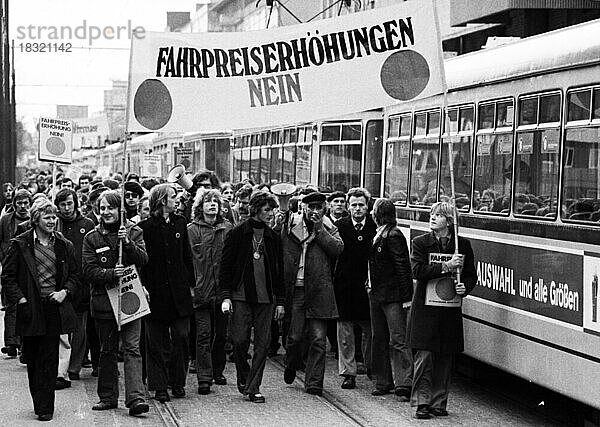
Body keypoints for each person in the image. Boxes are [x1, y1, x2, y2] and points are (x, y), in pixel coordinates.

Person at [1, 198, 80, 421]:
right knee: (33, 358)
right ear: (36, 219)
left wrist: (65, 291)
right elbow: (7, 277)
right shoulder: (21, 244)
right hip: (30, 308)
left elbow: (75, 276)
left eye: (54, 217)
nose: (52, 221)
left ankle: (46, 407)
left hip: (53, 307)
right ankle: (39, 399)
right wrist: (21, 299)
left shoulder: (64, 245)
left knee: (49, 357)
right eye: (47, 217)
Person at [82, 190, 150, 416]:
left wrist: (127, 244)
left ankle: (136, 398)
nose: (106, 212)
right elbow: (89, 271)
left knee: (132, 348)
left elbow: (143, 259)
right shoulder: (91, 238)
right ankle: (108, 397)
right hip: (103, 302)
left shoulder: (134, 231)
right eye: (102, 208)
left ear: (120, 210)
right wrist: (111, 273)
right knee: (107, 350)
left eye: (110, 207)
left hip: (131, 300)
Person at [408, 202, 477, 419]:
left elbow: (470, 274)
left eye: (439, 215)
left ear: (449, 221)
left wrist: (464, 287)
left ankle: (438, 402)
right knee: (425, 356)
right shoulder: (420, 243)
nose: (433, 218)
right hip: (426, 310)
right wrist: (446, 267)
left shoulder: (462, 245)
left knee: (445, 357)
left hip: (449, 310)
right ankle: (422, 402)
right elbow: (417, 270)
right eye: (432, 214)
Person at [219, 190, 285, 403]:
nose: (270, 214)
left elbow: (279, 270)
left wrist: (281, 302)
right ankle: (244, 377)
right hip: (240, 296)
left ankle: (253, 387)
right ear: (256, 210)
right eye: (267, 210)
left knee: (263, 344)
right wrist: (226, 295)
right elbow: (226, 267)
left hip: (266, 298)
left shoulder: (273, 237)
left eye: (272, 210)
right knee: (239, 341)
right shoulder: (237, 233)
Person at [280, 191, 343, 396]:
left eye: (318, 207)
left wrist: (320, 230)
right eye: (311, 208)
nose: (314, 211)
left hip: (319, 290)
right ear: (303, 208)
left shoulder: (329, 227)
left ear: (324, 208)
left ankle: (314, 382)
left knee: (318, 339)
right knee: (295, 336)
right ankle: (292, 362)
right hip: (296, 289)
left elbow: (337, 249)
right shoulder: (291, 226)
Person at [138, 184, 194, 402]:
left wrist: (191, 284)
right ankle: (160, 385)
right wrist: (143, 285)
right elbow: (141, 262)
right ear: (162, 201)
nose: (177, 200)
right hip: (155, 292)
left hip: (179, 291)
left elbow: (186, 256)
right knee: (156, 342)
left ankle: (178, 381)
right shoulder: (145, 228)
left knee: (181, 336)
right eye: (173, 196)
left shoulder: (180, 223)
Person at [187, 188, 232, 395]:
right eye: (208, 201)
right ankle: (204, 378)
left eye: (216, 201)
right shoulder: (191, 230)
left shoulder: (228, 229)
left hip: (222, 291)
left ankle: (217, 370)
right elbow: (187, 261)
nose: (213, 204)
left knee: (221, 334)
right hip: (201, 290)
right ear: (200, 206)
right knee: (203, 334)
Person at [368, 198, 413, 400]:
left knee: (397, 339)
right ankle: (384, 381)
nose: (370, 214)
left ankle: (403, 383)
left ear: (379, 213)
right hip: (378, 294)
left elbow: (402, 267)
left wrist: (406, 297)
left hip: (391, 296)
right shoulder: (382, 233)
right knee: (380, 337)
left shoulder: (393, 235)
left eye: (373, 211)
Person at [333, 188, 376, 390]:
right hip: (344, 286)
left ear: (367, 206)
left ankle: (370, 366)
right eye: (354, 205)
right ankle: (348, 373)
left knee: (370, 330)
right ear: (348, 207)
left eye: (361, 205)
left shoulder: (375, 228)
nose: (357, 209)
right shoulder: (339, 226)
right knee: (345, 334)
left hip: (367, 286)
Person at [53, 188, 95, 387]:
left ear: (76, 203)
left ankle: (74, 367)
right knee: (61, 327)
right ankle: (61, 366)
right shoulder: (55, 224)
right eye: (63, 204)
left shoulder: (87, 224)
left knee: (80, 328)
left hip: (82, 283)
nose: (67, 208)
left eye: (70, 203)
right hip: (60, 283)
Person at [0, 189, 33, 357]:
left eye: (25, 203)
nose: (22, 206)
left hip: (28, 269)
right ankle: (11, 343)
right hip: (10, 266)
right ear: (14, 204)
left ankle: (22, 342)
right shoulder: (6, 220)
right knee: (11, 304)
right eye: (19, 203)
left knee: (25, 303)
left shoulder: (34, 220)